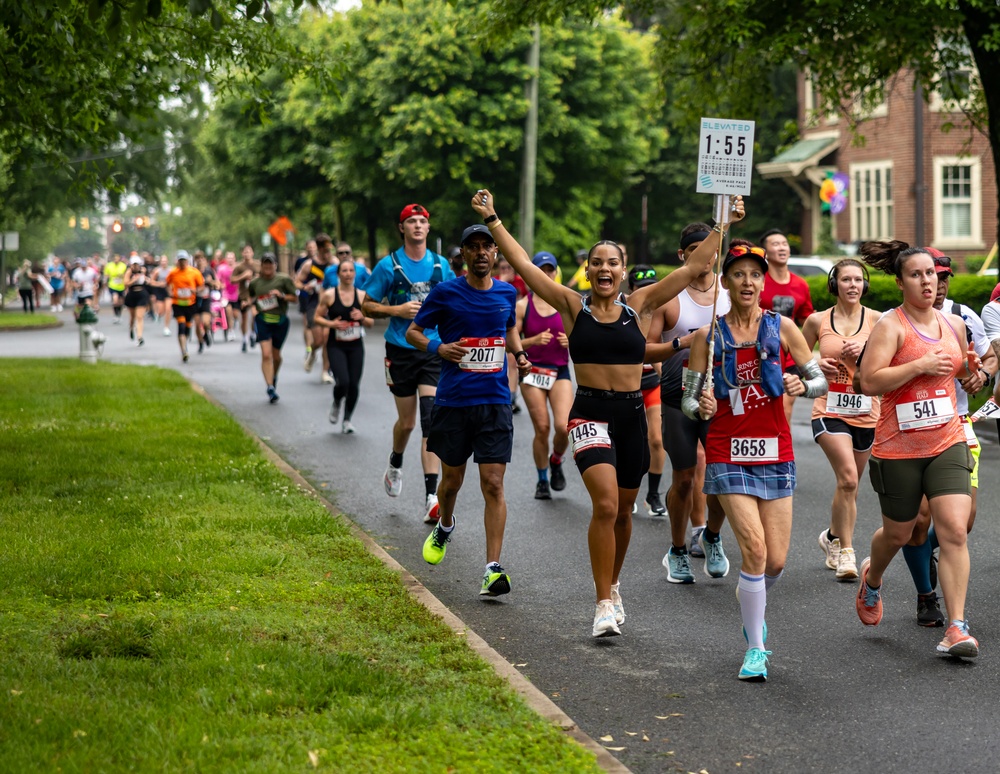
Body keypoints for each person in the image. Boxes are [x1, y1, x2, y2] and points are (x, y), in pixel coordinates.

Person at [473, 188, 741, 638]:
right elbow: (521, 265)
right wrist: (494, 217)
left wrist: (725, 223)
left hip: (631, 416)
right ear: (588, 269)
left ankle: (614, 585)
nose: (604, 269)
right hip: (589, 415)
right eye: (596, 262)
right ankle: (600, 604)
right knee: (605, 504)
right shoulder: (572, 307)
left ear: (622, 270)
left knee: (622, 514)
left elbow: (696, 267)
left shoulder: (639, 307)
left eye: (612, 262)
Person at [685, 240, 828, 681]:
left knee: (777, 561)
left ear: (764, 283)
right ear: (726, 281)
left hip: (775, 449)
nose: (748, 282)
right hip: (727, 450)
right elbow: (688, 400)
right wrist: (701, 406)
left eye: (755, 275)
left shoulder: (782, 326)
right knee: (756, 549)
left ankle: (753, 604)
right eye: (739, 274)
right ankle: (755, 648)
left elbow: (820, 379)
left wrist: (805, 386)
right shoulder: (707, 338)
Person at [855, 240, 979, 659]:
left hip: (946, 440)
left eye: (932, 274)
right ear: (899, 282)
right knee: (900, 532)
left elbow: (960, 372)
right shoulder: (891, 326)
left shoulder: (953, 325)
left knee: (954, 530)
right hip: (898, 447)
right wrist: (918, 366)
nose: (927, 281)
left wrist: (973, 378)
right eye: (916, 275)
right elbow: (869, 382)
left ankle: (956, 628)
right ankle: (872, 580)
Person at [408, 224, 531, 597]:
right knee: (452, 483)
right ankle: (445, 525)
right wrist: (438, 348)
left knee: (493, 483)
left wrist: (520, 354)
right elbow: (414, 331)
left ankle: (492, 568)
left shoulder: (507, 293)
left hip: (494, 402)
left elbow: (508, 330)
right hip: (454, 401)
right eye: (473, 247)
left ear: (495, 253)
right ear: (463, 254)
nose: (480, 253)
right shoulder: (445, 293)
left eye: (486, 246)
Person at [895, 249, 996, 627]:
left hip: (957, 423)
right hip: (911, 430)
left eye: (942, 276)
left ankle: (910, 549)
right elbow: (869, 380)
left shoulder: (962, 317)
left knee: (961, 524)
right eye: (925, 275)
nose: (934, 283)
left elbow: (989, 358)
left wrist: (981, 376)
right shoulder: (898, 320)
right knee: (918, 520)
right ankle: (927, 597)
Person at [644, 223, 732, 582]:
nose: (703, 256)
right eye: (694, 249)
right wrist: (684, 343)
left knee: (722, 475)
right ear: (682, 256)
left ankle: (711, 535)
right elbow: (645, 349)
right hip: (677, 395)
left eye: (709, 249)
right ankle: (677, 549)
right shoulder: (669, 297)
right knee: (682, 479)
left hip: (721, 395)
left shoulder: (728, 293)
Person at [362, 203, 456, 524]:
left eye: (422, 221)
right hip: (400, 349)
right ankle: (395, 460)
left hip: (431, 348)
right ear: (401, 228)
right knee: (408, 423)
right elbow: (367, 306)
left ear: (428, 228)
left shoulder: (442, 267)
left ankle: (432, 498)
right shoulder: (388, 266)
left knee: (431, 420)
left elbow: (457, 302)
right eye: (411, 222)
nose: (417, 226)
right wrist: (396, 311)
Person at [801, 259, 881, 582]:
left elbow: (891, 361)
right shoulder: (816, 321)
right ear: (835, 284)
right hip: (829, 410)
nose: (852, 285)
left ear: (865, 285)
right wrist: (817, 365)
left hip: (866, 411)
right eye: (846, 279)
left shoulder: (878, 321)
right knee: (848, 478)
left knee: (850, 486)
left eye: (858, 280)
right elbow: (796, 361)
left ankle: (832, 536)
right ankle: (847, 552)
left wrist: (865, 354)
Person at [516, 251, 571, 500]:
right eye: (541, 270)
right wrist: (533, 341)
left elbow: (587, 335)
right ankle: (541, 480)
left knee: (563, 427)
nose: (546, 274)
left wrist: (572, 340)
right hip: (533, 371)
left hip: (559, 371)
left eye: (550, 270)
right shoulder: (523, 305)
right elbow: (512, 341)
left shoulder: (566, 301)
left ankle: (556, 460)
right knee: (542, 427)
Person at [759, 229, 815, 424]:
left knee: (784, 408)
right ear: (765, 252)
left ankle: (782, 452)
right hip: (760, 355)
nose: (782, 247)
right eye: (775, 244)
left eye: (784, 244)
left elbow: (807, 319)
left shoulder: (800, 285)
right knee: (759, 409)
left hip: (789, 357)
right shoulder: (759, 282)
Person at [626, 264, 668, 517]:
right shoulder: (620, 312)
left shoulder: (662, 310)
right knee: (628, 443)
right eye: (641, 288)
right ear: (631, 290)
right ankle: (627, 490)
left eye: (652, 287)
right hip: (626, 388)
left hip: (652, 384)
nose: (647, 292)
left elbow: (662, 348)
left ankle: (653, 494)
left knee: (656, 439)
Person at [314, 260, 374, 432]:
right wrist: (332, 324)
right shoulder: (330, 295)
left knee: (354, 384)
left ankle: (347, 420)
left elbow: (371, 322)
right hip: (336, 345)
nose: (348, 274)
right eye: (344, 271)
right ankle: (336, 401)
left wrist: (361, 317)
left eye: (350, 270)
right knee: (343, 382)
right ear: (338, 274)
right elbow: (317, 317)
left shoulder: (362, 296)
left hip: (356, 346)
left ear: (355, 274)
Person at [248, 253, 298, 403]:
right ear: (261, 266)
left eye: (271, 264)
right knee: (266, 354)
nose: (268, 267)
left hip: (280, 322)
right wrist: (251, 306)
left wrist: (281, 295)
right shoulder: (255, 283)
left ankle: (273, 376)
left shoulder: (284, 280)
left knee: (276, 356)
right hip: (263, 320)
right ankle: (270, 387)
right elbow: (251, 297)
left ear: (275, 265)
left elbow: (295, 298)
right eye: (265, 264)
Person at [296, 233, 335, 382]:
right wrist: (305, 287)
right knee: (318, 340)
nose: (328, 252)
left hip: (331, 305)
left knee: (327, 339)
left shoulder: (334, 264)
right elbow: (297, 282)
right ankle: (312, 353)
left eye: (329, 248)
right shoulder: (309, 264)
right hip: (314, 304)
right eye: (325, 249)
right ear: (319, 248)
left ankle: (325, 371)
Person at [165, 250, 204, 363]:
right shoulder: (173, 273)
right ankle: (184, 351)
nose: (182, 263)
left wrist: (195, 290)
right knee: (181, 326)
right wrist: (170, 292)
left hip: (190, 304)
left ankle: (185, 344)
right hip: (177, 303)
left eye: (184, 260)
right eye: (180, 260)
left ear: (187, 261)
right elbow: (167, 284)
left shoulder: (194, 272)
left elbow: (201, 286)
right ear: (178, 261)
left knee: (187, 327)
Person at [231, 245, 258, 352]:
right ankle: (244, 339)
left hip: (255, 294)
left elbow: (265, 276)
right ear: (242, 254)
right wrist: (243, 276)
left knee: (255, 314)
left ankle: (252, 333)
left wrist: (255, 277)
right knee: (245, 318)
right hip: (243, 295)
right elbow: (232, 280)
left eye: (249, 251)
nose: (247, 254)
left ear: (252, 253)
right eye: (245, 252)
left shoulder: (258, 265)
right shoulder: (239, 267)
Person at [193, 251, 219, 354]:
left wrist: (210, 282)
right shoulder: (193, 272)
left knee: (206, 322)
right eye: (197, 258)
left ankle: (206, 333)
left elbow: (217, 283)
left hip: (205, 299)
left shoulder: (209, 271)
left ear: (205, 260)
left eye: (201, 258)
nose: (200, 260)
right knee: (197, 323)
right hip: (195, 300)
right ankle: (200, 342)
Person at [123, 256, 150, 346]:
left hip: (141, 294)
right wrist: (134, 279)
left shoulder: (143, 271)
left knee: (140, 316)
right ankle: (131, 328)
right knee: (132, 317)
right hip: (132, 294)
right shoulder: (129, 272)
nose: (136, 267)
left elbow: (148, 280)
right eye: (134, 265)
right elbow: (125, 284)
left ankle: (139, 337)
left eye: (137, 265)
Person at [216, 251, 239, 339]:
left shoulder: (238, 268)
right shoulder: (222, 268)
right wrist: (220, 285)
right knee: (228, 311)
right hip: (226, 294)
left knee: (235, 314)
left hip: (236, 294)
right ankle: (231, 330)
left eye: (232, 258)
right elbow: (218, 280)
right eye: (228, 258)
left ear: (235, 259)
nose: (230, 260)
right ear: (226, 259)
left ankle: (233, 321)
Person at [103, 253, 128, 325]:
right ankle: (115, 315)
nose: (116, 260)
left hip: (121, 286)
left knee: (120, 302)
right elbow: (106, 275)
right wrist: (105, 283)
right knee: (115, 300)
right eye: (115, 259)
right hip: (113, 285)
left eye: (118, 259)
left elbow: (126, 275)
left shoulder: (123, 266)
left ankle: (119, 315)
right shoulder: (109, 265)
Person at [150, 256, 172, 335]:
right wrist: (159, 284)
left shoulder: (171, 270)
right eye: (162, 261)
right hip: (159, 291)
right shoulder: (157, 271)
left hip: (168, 291)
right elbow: (151, 282)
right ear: (160, 262)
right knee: (161, 311)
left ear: (167, 262)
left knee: (168, 309)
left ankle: (166, 327)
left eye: (165, 261)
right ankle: (158, 314)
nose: (164, 263)